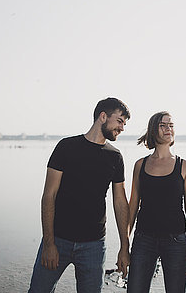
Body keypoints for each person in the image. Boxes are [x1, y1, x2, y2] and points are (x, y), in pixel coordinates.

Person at [28, 98, 131, 293]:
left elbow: (120, 203)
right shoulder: (66, 147)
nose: (122, 128)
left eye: (124, 124)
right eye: (119, 121)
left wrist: (124, 247)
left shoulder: (115, 157)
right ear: (103, 116)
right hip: (58, 239)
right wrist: (49, 243)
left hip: (94, 245)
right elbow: (49, 195)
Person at [127, 111, 186, 293]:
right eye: (163, 125)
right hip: (143, 240)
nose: (169, 128)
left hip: (176, 242)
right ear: (154, 130)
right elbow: (133, 206)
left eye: (171, 125)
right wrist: (124, 244)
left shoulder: (184, 166)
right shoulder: (140, 165)